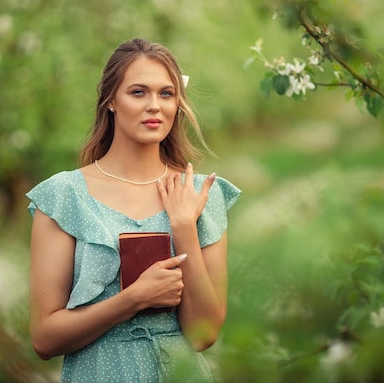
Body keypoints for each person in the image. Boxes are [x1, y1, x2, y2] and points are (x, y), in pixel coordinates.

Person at [26, 38, 241, 383]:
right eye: (138, 92)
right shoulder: (64, 195)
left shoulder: (200, 195)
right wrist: (135, 298)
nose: (154, 105)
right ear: (111, 100)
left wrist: (184, 226)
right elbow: (44, 338)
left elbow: (204, 334)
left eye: (166, 94)